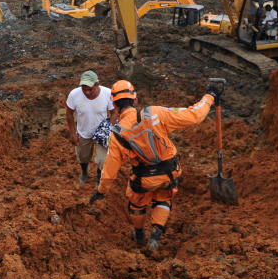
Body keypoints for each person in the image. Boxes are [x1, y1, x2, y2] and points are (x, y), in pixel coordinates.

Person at [89, 79, 220, 252]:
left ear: (113, 104)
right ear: (135, 99)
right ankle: (156, 236)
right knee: (164, 198)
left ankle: (139, 234)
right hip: (170, 172)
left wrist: (101, 191)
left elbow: (110, 170)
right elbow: (195, 115)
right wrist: (210, 96)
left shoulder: (118, 134)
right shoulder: (156, 114)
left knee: (136, 203)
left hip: (143, 179)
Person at [65, 70, 116, 185]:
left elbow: (114, 112)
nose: (87, 92)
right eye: (84, 89)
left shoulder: (107, 93)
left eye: (90, 89)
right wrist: (73, 133)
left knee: (103, 159)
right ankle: (84, 172)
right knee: (83, 157)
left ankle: (99, 177)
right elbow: (69, 113)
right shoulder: (74, 94)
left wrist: (108, 129)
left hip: (101, 133)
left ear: (97, 84)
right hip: (84, 131)